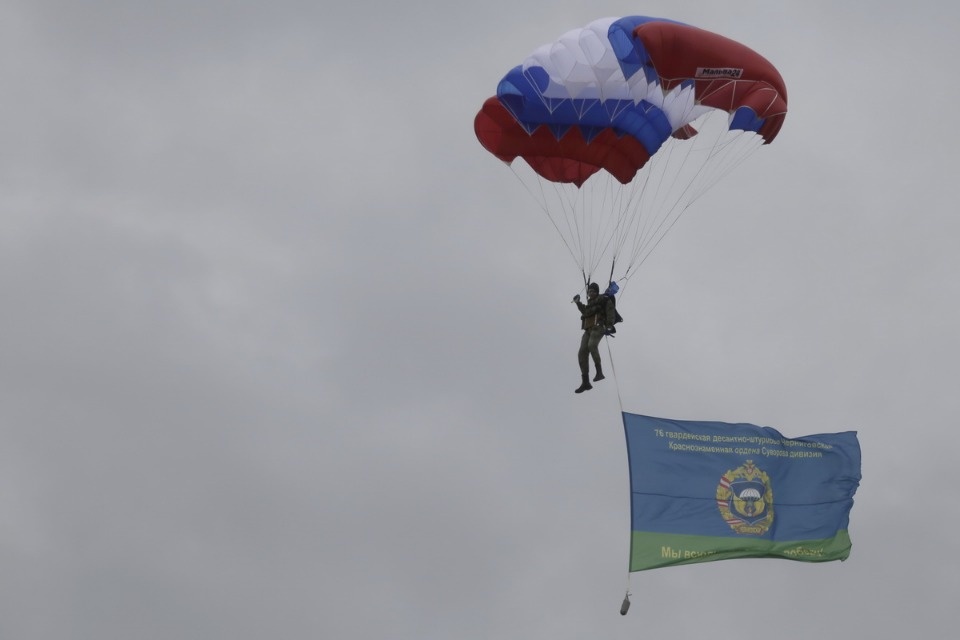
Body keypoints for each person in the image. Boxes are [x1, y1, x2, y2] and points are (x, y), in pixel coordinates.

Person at [572, 282, 616, 393]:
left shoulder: (603, 299)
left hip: (598, 327)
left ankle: (599, 372)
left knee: (592, 345)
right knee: (581, 352)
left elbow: (610, 311)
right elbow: (585, 311)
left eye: (593, 291)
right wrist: (578, 303)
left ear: (597, 292)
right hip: (588, 330)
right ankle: (585, 382)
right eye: (589, 291)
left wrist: (610, 325)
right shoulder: (589, 304)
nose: (590, 293)